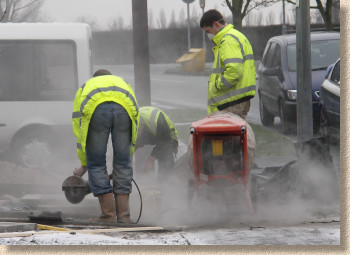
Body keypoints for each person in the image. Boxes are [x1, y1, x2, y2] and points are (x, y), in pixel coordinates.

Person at [72, 69, 139, 223]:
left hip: (96, 111)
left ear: (95, 78)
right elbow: (135, 117)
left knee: (96, 163)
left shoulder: (86, 86)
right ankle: (124, 216)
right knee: (122, 164)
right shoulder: (123, 83)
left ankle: (108, 215)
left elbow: (80, 129)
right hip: (124, 111)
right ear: (110, 76)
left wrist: (84, 164)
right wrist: (129, 153)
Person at [200, 9, 256, 120]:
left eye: (208, 31)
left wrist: (217, 85)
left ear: (216, 24)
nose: (208, 35)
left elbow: (234, 72)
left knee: (226, 136)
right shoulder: (237, 36)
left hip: (230, 104)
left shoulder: (228, 40)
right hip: (237, 101)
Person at [135, 106, 178, 181]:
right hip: (155, 138)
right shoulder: (132, 124)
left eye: (135, 134)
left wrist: (151, 158)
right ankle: (146, 180)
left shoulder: (156, 120)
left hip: (168, 138)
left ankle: (166, 182)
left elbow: (165, 143)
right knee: (141, 156)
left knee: (165, 156)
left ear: (141, 125)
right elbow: (129, 149)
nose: (134, 138)